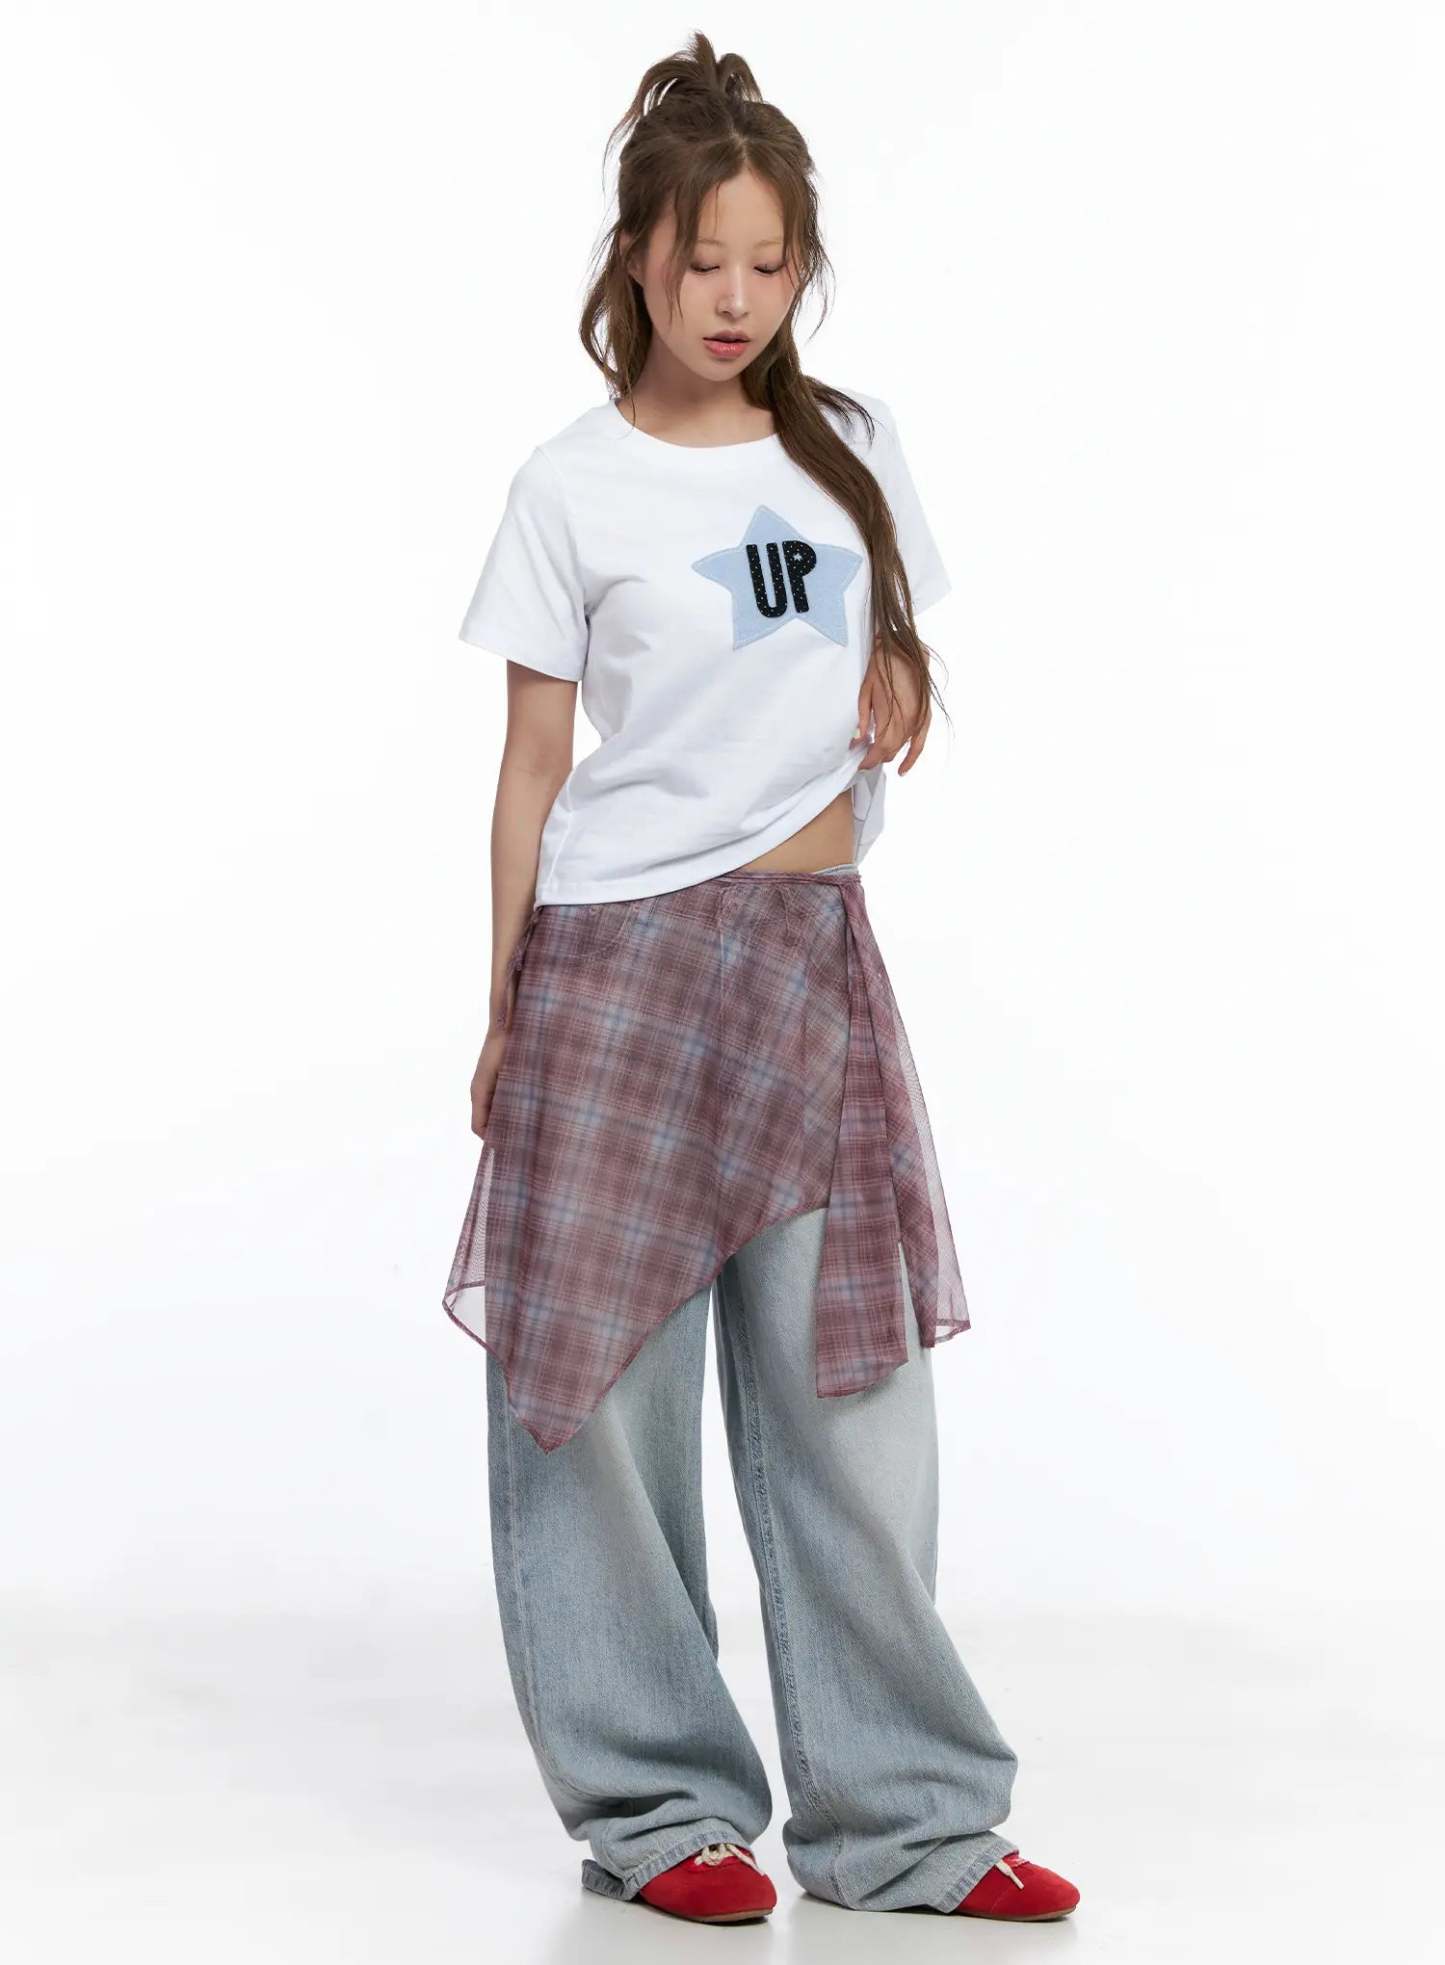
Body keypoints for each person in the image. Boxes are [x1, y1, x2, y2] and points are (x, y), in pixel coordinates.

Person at [443, 33, 1079, 1928]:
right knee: (601, 1408)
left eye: (769, 261)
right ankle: (657, 1811)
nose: (733, 297)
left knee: (847, 1396)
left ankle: (906, 1822)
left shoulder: (846, 447)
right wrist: (503, 1008)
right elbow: (530, 770)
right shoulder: (570, 486)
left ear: (802, 267)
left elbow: (880, 648)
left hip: (806, 957)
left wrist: (892, 681)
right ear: (635, 256)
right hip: (617, 966)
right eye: (699, 256)